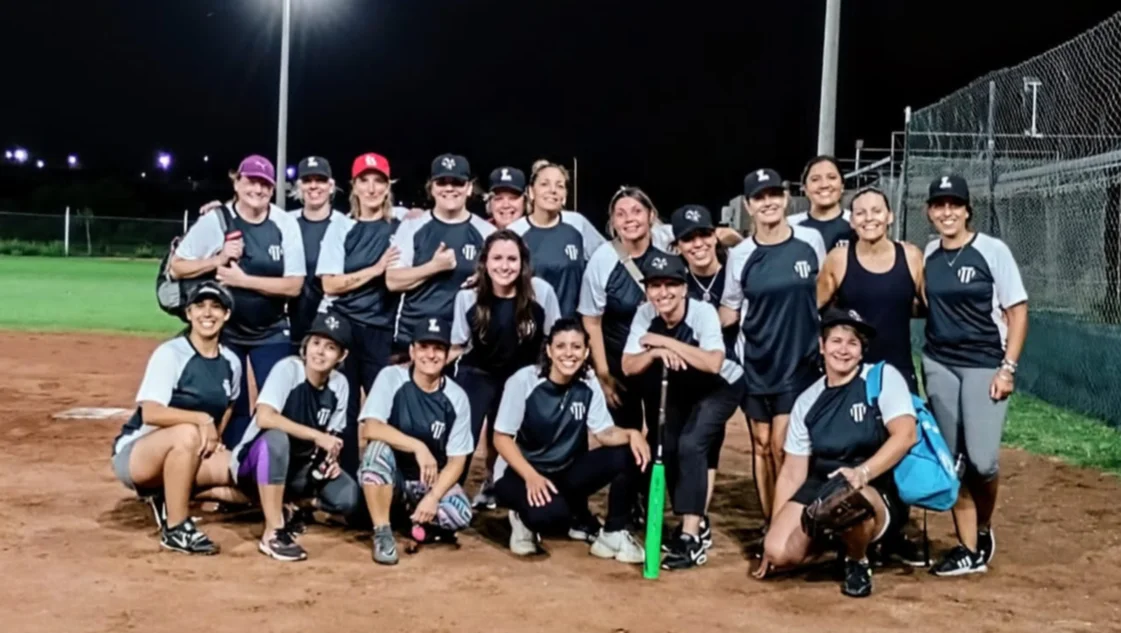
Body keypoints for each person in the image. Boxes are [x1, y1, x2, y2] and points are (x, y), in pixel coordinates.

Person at [754, 307, 917, 598]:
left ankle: (857, 560)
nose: (843, 350)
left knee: (845, 499)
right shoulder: (808, 400)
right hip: (821, 483)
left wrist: (861, 473)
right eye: (836, 341)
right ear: (822, 346)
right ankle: (838, 541)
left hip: (872, 483)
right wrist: (774, 525)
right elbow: (793, 472)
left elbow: (905, 435)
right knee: (778, 552)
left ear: (861, 350)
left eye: (852, 343)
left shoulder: (881, 378)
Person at [921, 174, 1028, 576]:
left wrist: (1008, 368)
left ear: (967, 209)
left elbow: (1017, 311)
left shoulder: (991, 250)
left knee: (982, 461)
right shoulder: (930, 252)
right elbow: (923, 303)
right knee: (952, 461)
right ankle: (967, 548)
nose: (947, 212)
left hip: (984, 362)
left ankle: (982, 527)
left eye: (955, 204)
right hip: (939, 362)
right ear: (930, 212)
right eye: (939, 205)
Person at [170, 155, 305, 448]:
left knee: (279, 401)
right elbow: (177, 266)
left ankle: (274, 472)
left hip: (271, 329)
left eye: (264, 184)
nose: (257, 189)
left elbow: (294, 285)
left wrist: (244, 281)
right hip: (225, 332)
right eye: (250, 181)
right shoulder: (215, 221)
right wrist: (218, 258)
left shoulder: (283, 224)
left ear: (272, 188)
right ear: (237, 182)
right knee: (233, 405)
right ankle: (230, 472)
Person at [622, 254, 744, 570]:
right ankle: (691, 522)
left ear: (684, 287)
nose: (663, 293)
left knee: (692, 445)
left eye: (671, 285)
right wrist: (656, 353)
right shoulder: (644, 313)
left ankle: (691, 537)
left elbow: (713, 362)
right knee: (669, 445)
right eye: (655, 286)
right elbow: (628, 365)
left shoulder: (702, 312)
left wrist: (661, 341)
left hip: (721, 386)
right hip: (682, 386)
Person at [493, 318, 650, 562]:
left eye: (576, 347)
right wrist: (530, 476)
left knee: (627, 452)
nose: (569, 353)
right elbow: (501, 438)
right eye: (561, 346)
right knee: (549, 517)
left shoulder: (588, 382)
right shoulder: (524, 381)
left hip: (563, 471)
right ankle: (521, 518)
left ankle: (613, 533)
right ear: (549, 350)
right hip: (520, 473)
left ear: (586, 351)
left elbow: (604, 432)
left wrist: (632, 434)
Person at [724, 168, 826, 526]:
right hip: (754, 361)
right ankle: (771, 523)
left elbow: (825, 294)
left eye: (773, 195)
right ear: (749, 206)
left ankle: (790, 526)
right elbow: (730, 309)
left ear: (785, 198)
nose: (767, 202)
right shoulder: (741, 254)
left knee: (785, 446)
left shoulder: (809, 242)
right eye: (759, 198)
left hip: (798, 362)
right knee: (762, 444)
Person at [110, 281, 242, 555]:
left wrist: (215, 436)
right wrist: (203, 420)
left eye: (216, 307)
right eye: (200, 306)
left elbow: (229, 404)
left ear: (227, 315)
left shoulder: (231, 361)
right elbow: (151, 412)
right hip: (139, 453)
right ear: (189, 313)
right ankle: (176, 528)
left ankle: (169, 494)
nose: (208, 313)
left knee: (247, 473)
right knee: (187, 433)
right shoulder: (171, 354)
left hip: (189, 452)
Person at [229, 311, 361, 561]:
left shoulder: (340, 385)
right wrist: (316, 437)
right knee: (277, 438)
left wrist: (329, 461)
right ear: (306, 345)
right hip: (256, 461)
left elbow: (331, 437)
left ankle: (293, 506)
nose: (320, 352)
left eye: (330, 347)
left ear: (341, 356)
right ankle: (273, 532)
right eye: (316, 343)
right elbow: (264, 418)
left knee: (348, 497)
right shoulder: (288, 369)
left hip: (298, 468)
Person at [448, 230, 560, 509]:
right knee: (465, 432)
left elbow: (555, 337)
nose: (504, 265)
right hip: (478, 372)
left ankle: (494, 483)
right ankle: (448, 493)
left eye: (512, 258)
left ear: (523, 263)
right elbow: (458, 344)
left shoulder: (541, 292)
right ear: (485, 262)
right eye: (497, 258)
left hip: (521, 375)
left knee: (507, 433)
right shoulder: (468, 296)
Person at [357, 318, 474, 565]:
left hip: (425, 484)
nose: (430, 355)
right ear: (412, 351)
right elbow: (370, 428)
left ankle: (414, 517)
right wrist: (418, 447)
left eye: (438, 348)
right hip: (394, 475)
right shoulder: (391, 377)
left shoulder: (457, 398)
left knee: (460, 513)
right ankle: (383, 532)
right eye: (424, 347)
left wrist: (433, 496)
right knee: (376, 452)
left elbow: (457, 460)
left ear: (446, 354)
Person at [316, 152, 401, 476]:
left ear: (387, 186)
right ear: (354, 186)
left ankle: (386, 477)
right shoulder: (341, 227)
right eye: (364, 181)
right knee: (345, 408)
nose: (371, 188)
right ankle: (348, 478)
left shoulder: (401, 223)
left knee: (384, 408)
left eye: (378, 181)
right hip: (345, 328)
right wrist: (376, 269)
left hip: (381, 329)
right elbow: (330, 284)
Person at [817, 186, 924, 392]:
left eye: (876, 211)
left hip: (899, 367)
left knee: (903, 425)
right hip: (849, 369)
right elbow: (815, 308)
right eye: (860, 213)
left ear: (889, 216)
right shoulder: (838, 259)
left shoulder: (911, 256)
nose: (869, 218)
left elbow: (932, 306)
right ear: (852, 221)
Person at [387, 153, 495, 355]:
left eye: (457, 182)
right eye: (442, 182)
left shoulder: (486, 233)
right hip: (413, 335)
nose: (449, 188)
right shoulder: (412, 226)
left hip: (463, 340)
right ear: (432, 188)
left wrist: (484, 280)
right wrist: (433, 267)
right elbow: (392, 281)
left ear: (469, 188)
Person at [508, 160, 606, 317]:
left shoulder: (577, 224)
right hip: (530, 329)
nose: (552, 190)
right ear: (531, 192)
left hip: (572, 331)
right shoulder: (515, 232)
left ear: (565, 195)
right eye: (544, 184)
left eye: (560, 186)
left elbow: (607, 259)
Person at [286, 156, 345, 350]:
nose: (313, 186)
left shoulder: (345, 225)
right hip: (288, 322)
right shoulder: (285, 222)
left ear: (331, 185)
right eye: (307, 180)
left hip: (329, 324)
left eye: (320, 180)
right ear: (299, 186)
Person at [788, 156, 853, 252]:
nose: (824, 185)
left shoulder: (858, 223)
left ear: (842, 185)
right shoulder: (789, 226)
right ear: (805, 188)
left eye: (832, 177)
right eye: (815, 179)